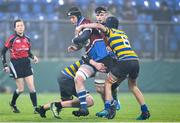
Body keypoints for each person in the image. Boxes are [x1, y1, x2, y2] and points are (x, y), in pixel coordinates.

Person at [75, 16, 150, 120]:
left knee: (107, 83)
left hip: (124, 60)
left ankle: (107, 109)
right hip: (135, 60)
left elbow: (97, 25)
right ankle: (145, 111)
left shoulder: (110, 31)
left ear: (108, 25)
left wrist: (82, 26)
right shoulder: (122, 33)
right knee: (133, 86)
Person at [1, 19, 39, 114]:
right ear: (15, 28)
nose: (20, 27)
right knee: (21, 89)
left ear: (24, 27)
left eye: (21, 25)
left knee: (32, 88)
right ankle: (13, 103)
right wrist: (5, 64)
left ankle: (36, 108)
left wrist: (33, 57)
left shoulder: (27, 39)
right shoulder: (12, 39)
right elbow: (3, 52)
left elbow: (28, 52)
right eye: (18, 26)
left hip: (26, 63)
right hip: (15, 64)